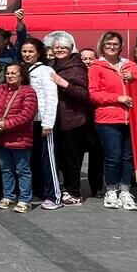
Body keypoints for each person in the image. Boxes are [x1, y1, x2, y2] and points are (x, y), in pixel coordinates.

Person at [88, 31, 137, 210]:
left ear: (121, 47)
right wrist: (117, 98)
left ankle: (125, 190)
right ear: (102, 46)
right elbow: (94, 94)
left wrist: (133, 78)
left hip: (130, 118)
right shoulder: (96, 67)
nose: (111, 47)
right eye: (108, 44)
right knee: (113, 157)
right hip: (108, 119)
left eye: (115, 44)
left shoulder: (130, 65)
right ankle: (111, 190)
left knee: (128, 158)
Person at [43, 31, 93, 205]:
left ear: (71, 49)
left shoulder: (77, 68)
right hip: (55, 119)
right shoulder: (51, 65)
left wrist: (63, 84)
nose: (60, 50)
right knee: (59, 157)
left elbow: (83, 95)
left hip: (73, 120)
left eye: (64, 47)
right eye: (57, 47)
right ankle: (62, 187)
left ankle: (74, 193)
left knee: (71, 159)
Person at [0, 62, 38, 212]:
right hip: (1, 137)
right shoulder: (0, 89)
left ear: (22, 75)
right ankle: (8, 196)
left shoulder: (28, 92)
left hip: (20, 138)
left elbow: (26, 115)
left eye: (14, 73)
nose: (10, 76)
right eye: (8, 73)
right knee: (6, 169)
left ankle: (25, 199)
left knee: (23, 170)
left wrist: (6, 124)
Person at [20, 37, 62, 209]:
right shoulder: (23, 70)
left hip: (44, 122)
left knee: (48, 160)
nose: (27, 54)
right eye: (24, 51)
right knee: (34, 160)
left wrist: (48, 123)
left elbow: (51, 97)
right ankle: (40, 190)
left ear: (38, 53)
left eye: (31, 51)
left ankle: (54, 196)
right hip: (29, 123)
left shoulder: (45, 70)